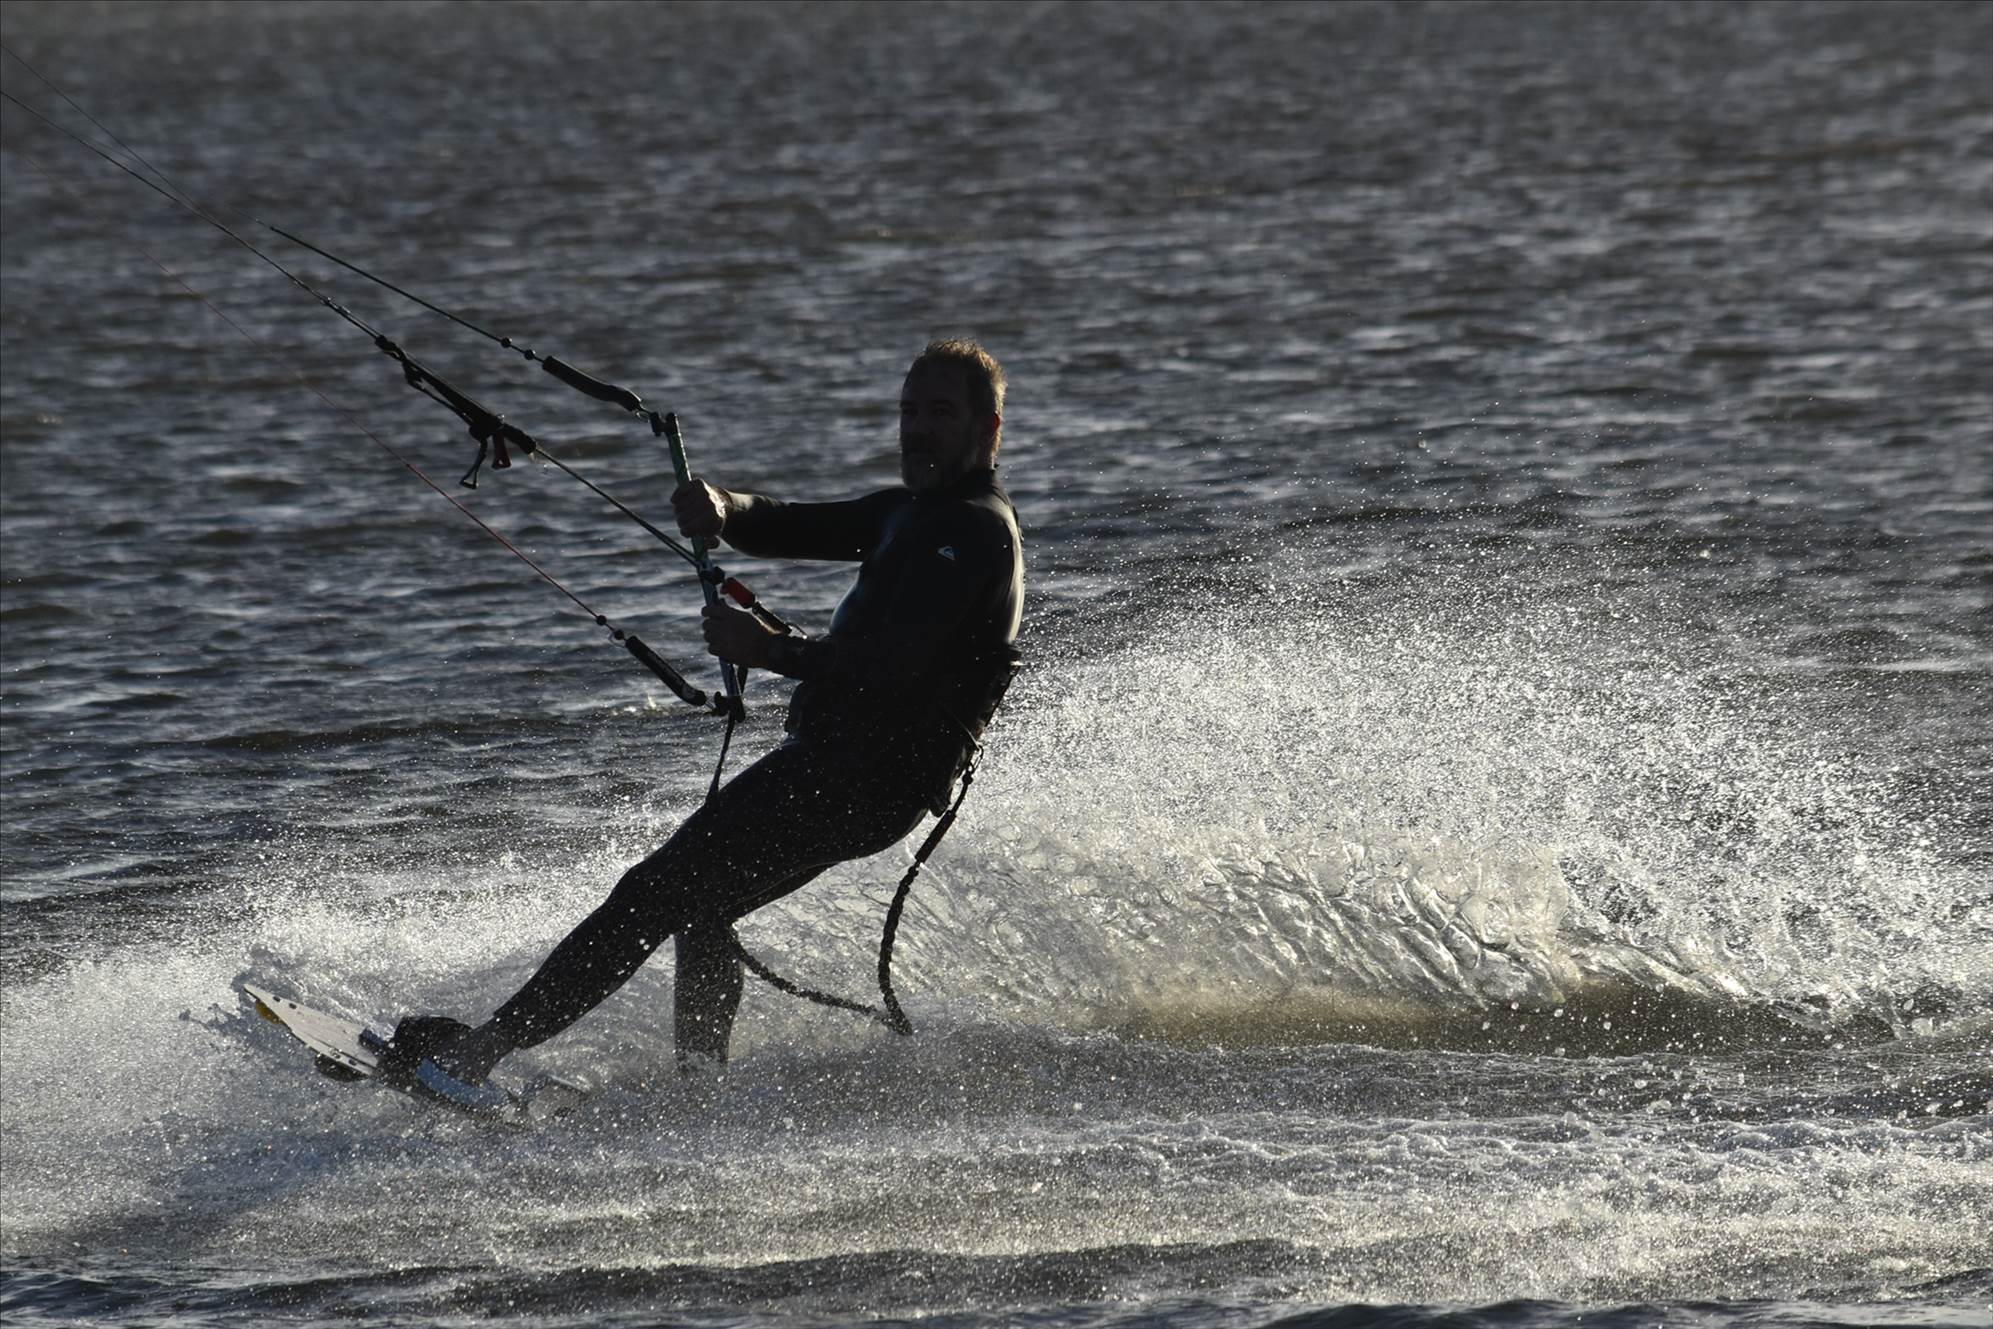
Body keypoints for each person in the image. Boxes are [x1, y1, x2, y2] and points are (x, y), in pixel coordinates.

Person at [393, 340, 1024, 1107]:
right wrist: (726, 508)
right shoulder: (908, 513)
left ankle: (471, 1057)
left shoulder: (974, 531)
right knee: (701, 905)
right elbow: (791, 525)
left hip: (864, 777)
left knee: (653, 890)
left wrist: (770, 650)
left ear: (986, 430)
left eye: (940, 413)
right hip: (838, 769)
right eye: (909, 411)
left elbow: (896, 666)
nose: (917, 429)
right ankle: (700, 1088)